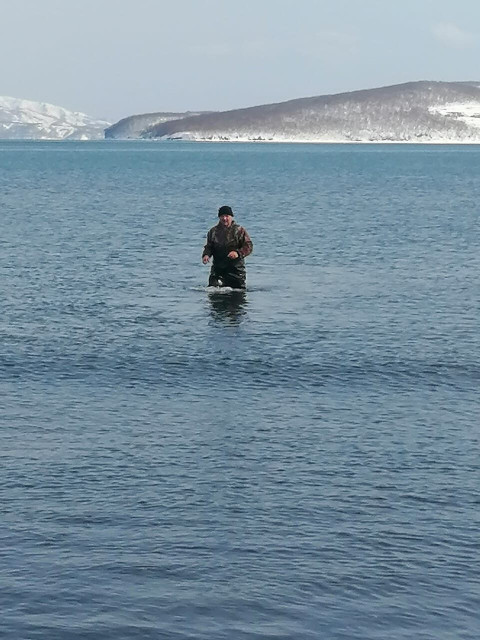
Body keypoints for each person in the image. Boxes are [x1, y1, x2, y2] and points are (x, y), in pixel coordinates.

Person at [202, 205, 253, 289]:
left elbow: (249, 246)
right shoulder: (213, 231)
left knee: (237, 295)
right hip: (218, 270)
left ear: (231, 217)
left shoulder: (239, 230)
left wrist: (238, 253)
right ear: (219, 217)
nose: (224, 218)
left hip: (236, 271)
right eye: (222, 216)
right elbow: (209, 247)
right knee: (213, 291)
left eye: (227, 216)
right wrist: (206, 255)